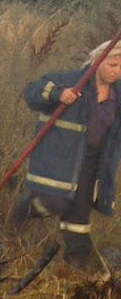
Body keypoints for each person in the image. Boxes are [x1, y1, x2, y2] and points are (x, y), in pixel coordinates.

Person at [13, 41, 121, 269]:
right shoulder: (71, 80)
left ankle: (78, 263)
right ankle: (22, 211)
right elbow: (32, 92)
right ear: (98, 60)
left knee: (79, 214)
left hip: (93, 163)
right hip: (59, 157)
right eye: (113, 65)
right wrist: (58, 94)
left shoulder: (118, 94)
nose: (117, 71)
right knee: (58, 202)